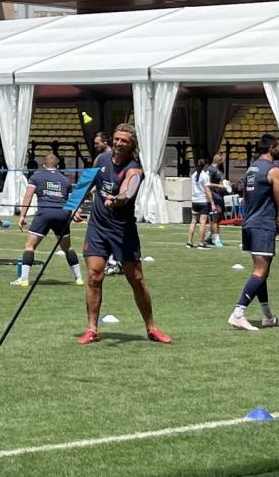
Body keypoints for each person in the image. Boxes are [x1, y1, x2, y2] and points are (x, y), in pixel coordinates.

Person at [78, 124, 171, 345]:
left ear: (132, 146)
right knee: (94, 275)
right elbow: (87, 182)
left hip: (122, 230)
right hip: (97, 227)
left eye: (124, 141)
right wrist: (74, 206)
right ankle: (92, 329)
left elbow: (129, 189)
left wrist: (118, 198)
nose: (119, 143)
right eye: (117, 139)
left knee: (136, 278)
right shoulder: (101, 160)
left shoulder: (135, 168)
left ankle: (151, 327)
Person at [228, 134, 279, 331]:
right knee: (260, 271)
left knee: (262, 271)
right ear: (272, 147)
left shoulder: (251, 169)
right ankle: (238, 312)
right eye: (277, 147)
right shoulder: (274, 170)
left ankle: (267, 316)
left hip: (249, 223)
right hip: (262, 225)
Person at [15, 154, 84, 286]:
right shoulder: (65, 180)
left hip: (44, 213)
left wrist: (22, 215)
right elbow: (71, 200)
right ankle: (79, 278)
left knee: (29, 246)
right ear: (57, 166)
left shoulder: (36, 177)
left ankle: (23, 279)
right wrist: (75, 212)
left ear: (44, 165)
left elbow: (28, 196)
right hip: (62, 214)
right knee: (67, 247)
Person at [89, 130, 123, 276]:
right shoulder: (100, 158)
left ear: (105, 142)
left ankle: (116, 262)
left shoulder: (121, 159)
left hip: (116, 208)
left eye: (97, 143)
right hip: (101, 206)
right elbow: (91, 177)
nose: (95, 146)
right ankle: (112, 262)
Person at [187, 159, 213, 249]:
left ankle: (189, 242)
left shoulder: (193, 175)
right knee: (202, 222)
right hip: (203, 201)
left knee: (193, 221)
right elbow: (207, 190)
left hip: (194, 200)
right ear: (204, 166)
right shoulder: (205, 176)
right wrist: (212, 203)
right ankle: (201, 243)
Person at [204, 154, 227, 247]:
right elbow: (207, 183)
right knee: (215, 218)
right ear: (218, 160)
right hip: (214, 196)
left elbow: (220, 181)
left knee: (220, 217)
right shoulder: (210, 170)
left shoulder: (220, 170)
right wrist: (219, 186)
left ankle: (209, 236)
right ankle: (216, 239)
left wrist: (225, 184)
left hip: (219, 196)